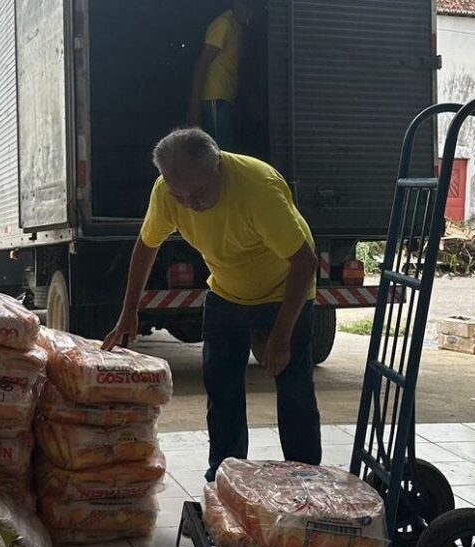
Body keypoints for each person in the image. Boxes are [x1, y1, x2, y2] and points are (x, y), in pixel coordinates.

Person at [103, 129, 322, 481]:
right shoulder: (168, 192)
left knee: (294, 388)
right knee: (221, 388)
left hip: (284, 290)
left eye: (198, 193)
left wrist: (281, 337)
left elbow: (305, 263)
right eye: (180, 195)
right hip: (225, 292)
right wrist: (129, 311)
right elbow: (146, 246)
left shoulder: (258, 188)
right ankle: (225, 474)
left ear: (218, 166)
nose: (189, 204)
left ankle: (306, 477)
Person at [186, 1, 253, 150]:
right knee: (219, 150)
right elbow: (202, 63)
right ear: (238, 5)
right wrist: (194, 105)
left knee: (225, 147)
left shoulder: (238, 28)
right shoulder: (223, 24)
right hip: (215, 96)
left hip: (227, 97)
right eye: (248, 9)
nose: (250, 16)